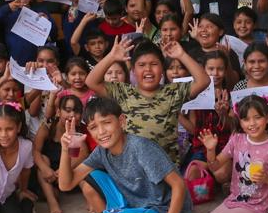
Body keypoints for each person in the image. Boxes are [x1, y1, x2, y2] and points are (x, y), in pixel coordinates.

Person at [57, 96, 193, 213]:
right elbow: (66, 184)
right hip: (141, 206)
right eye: (94, 127)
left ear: (121, 121)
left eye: (106, 123)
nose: (101, 132)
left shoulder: (141, 148)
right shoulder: (101, 152)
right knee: (90, 179)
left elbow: (178, 184)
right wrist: (65, 149)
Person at [87, 37, 211, 165]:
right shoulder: (123, 92)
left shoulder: (174, 91)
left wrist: (182, 55)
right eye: (141, 65)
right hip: (133, 169)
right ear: (133, 71)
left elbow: (204, 81)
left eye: (154, 64)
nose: (148, 69)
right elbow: (91, 82)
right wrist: (111, 57)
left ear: (162, 70)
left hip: (167, 171)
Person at [191, 96, 268, 213]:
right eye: (246, 119)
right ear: (240, 121)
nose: (252, 124)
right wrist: (210, 150)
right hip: (234, 200)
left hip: (256, 207)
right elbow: (215, 166)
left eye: (257, 117)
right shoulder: (237, 139)